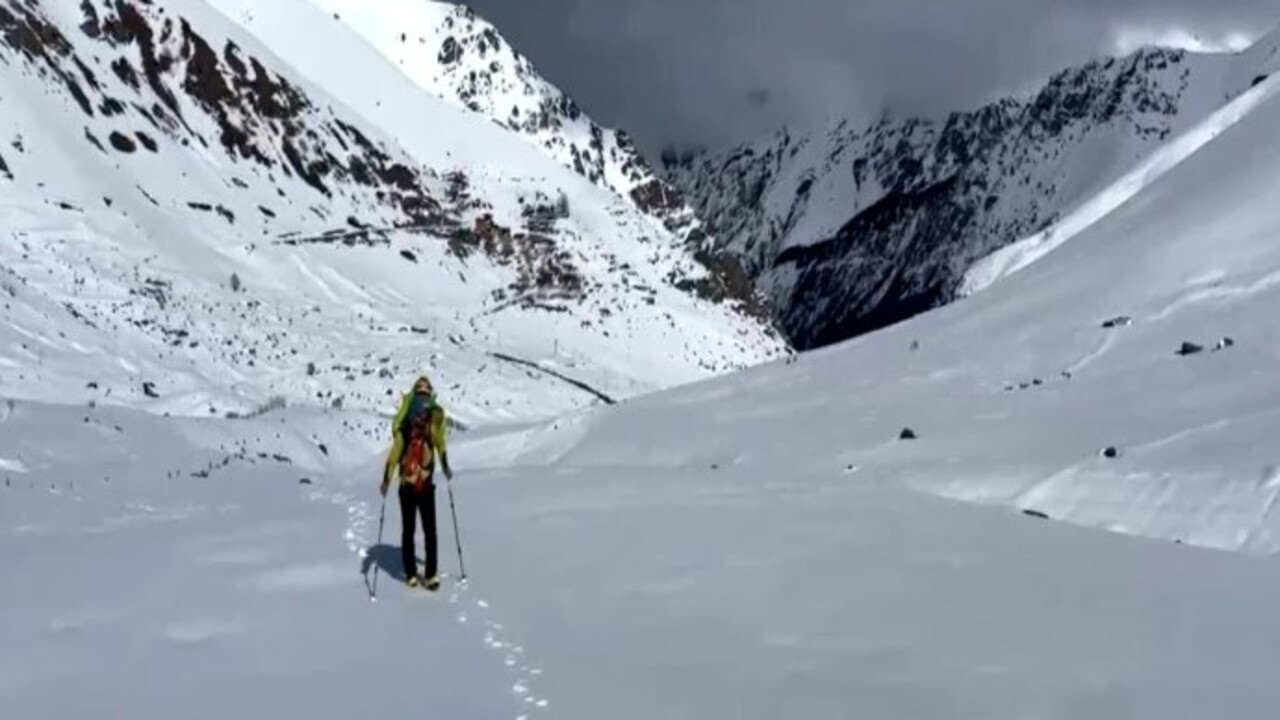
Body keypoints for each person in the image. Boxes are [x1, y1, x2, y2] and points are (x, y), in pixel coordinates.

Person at [380, 374, 452, 590]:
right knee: (430, 530)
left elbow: (395, 454)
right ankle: (430, 575)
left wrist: (386, 480)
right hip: (426, 484)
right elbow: (440, 444)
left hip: (407, 485)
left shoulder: (406, 428)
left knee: (409, 530)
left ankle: (411, 574)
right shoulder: (432, 426)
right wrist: (446, 466)